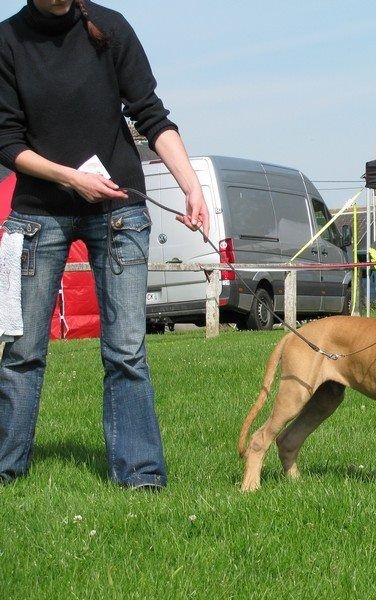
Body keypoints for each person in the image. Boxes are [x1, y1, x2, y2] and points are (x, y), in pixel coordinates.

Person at [0, 0, 209, 490]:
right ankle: (6, 471)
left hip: (117, 211)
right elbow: (6, 141)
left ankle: (140, 475)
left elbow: (152, 116)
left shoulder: (110, 27)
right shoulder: (7, 41)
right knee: (23, 350)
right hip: (37, 213)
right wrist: (70, 178)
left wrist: (191, 184)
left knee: (126, 349)